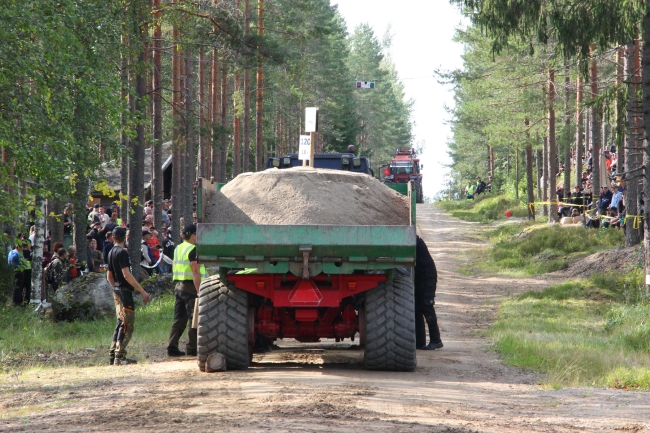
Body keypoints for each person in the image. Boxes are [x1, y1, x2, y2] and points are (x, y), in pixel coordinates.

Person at [106, 227, 150, 365]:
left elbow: (109, 276)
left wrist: (115, 288)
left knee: (120, 322)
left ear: (113, 237)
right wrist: (142, 291)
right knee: (127, 324)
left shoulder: (111, 252)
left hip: (117, 291)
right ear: (125, 237)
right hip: (125, 292)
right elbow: (126, 274)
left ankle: (113, 354)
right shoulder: (122, 253)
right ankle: (120, 356)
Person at [167, 224, 202, 357]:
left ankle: (172, 347)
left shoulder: (178, 248)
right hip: (191, 288)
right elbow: (196, 271)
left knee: (179, 319)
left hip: (179, 286)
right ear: (193, 236)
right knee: (194, 318)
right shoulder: (193, 249)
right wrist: (199, 291)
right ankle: (192, 348)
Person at [414, 236, 443, 350]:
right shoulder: (413, 238)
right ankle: (419, 342)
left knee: (426, 306)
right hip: (419, 276)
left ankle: (436, 340)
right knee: (416, 308)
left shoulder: (413, 240)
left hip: (426, 276)